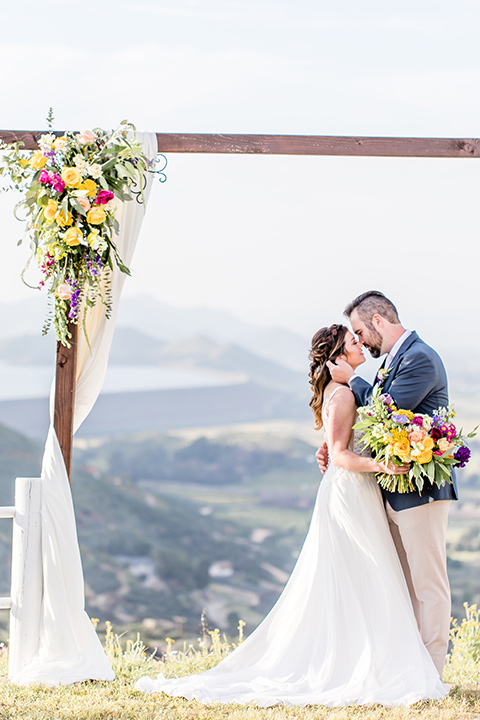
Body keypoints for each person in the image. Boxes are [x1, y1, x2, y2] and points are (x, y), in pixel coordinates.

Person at [135, 324, 448, 707]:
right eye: (353, 343)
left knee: (361, 576)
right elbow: (341, 455)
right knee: (366, 574)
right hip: (353, 493)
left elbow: (341, 441)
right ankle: (365, 661)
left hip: (355, 493)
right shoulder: (346, 394)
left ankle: (371, 657)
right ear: (336, 359)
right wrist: (382, 465)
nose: (361, 345)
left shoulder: (345, 392)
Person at [317, 290, 457, 676]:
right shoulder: (396, 358)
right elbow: (371, 422)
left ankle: (432, 671)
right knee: (405, 586)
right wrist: (334, 441)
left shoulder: (419, 359)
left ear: (378, 321)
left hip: (422, 491)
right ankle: (408, 666)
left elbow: (390, 413)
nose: (360, 341)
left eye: (361, 332)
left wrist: (353, 381)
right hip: (391, 491)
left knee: (429, 585)